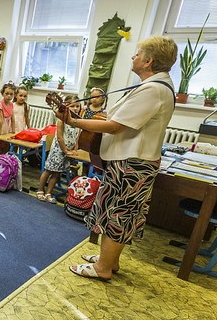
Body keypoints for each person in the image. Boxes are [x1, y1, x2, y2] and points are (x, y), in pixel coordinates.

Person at [57, 36, 177, 281]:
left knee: (119, 214)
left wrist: (73, 121)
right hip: (129, 161)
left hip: (132, 163)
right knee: (118, 210)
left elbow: (114, 126)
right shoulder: (152, 86)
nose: (133, 57)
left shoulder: (153, 90)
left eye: (137, 53)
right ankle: (110, 261)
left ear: (148, 60)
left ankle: (102, 269)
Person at [37, 95, 81, 203]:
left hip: (68, 152)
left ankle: (48, 193)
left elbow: (78, 137)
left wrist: (75, 149)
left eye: (77, 106)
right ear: (66, 106)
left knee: (56, 174)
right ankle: (40, 190)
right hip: (58, 150)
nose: (75, 108)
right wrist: (65, 150)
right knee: (48, 171)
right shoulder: (62, 120)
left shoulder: (78, 121)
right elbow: (60, 138)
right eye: (73, 106)